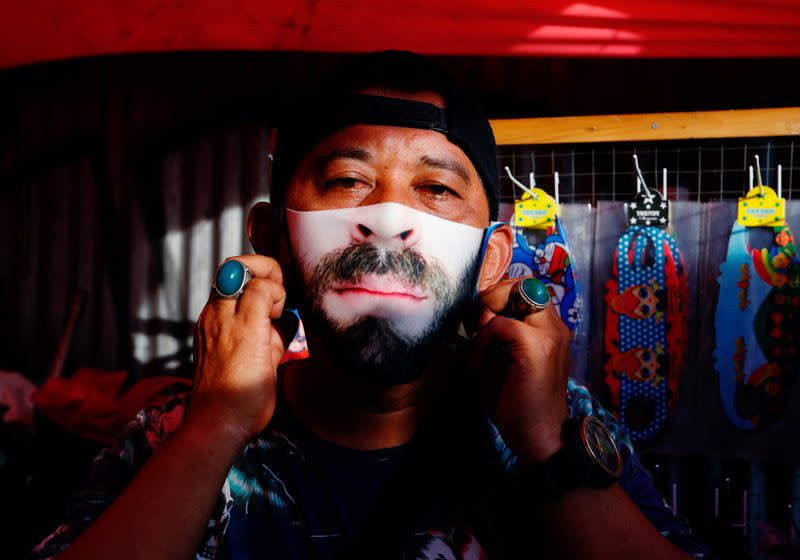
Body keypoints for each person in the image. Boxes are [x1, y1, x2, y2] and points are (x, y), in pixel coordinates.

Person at [32, 51, 708, 560]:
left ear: (494, 258)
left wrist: (544, 443)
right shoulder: (175, 432)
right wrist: (213, 430)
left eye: (437, 190)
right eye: (348, 179)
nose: (389, 221)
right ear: (272, 237)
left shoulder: (559, 424)